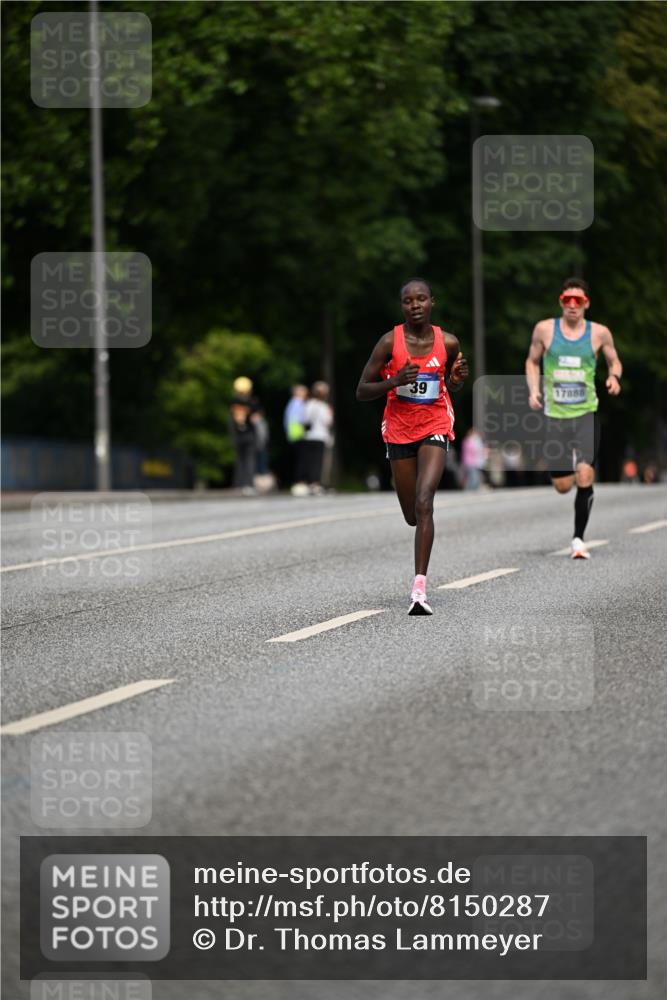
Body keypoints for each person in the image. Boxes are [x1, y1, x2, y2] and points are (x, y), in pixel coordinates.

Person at [356, 277, 468, 614]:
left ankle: (419, 587)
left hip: (434, 423)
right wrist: (393, 381)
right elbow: (362, 390)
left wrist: (456, 381)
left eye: (421, 299)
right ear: (402, 306)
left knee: (424, 502)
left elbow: (451, 383)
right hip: (399, 429)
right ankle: (418, 535)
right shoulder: (389, 342)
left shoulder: (447, 342)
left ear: (432, 302)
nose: (415, 305)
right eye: (408, 301)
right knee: (411, 515)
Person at [525, 277, 622, 558]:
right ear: (561, 301)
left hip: (585, 414)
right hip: (555, 415)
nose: (571, 305)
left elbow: (614, 360)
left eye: (577, 300)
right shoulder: (544, 330)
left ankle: (578, 539)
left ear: (586, 304)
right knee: (563, 485)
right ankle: (567, 468)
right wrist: (533, 390)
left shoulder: (599, 333)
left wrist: (614, 377)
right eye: (566, 299)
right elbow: (531, 361)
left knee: (584, 473)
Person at [302, 381, 333, 494]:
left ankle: (309, 482)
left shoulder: (308, 404)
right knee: (318, 461)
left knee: (310, 460)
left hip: (309, 436)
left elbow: (304, 420)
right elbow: (328, 422)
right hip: (320, 436)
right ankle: (316, 483)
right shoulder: (324, 407)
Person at [229, 375, 258, 494]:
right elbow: (256, 419)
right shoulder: (252, 403)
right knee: (249, 460)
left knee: (240, 460)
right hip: (249, 434)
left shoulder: (232, 402)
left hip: (238, 434)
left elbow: (231, 420)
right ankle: (248, 485)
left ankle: (239, 484)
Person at [283, 384, 308, 495]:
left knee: (299, 459)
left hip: (294, 435)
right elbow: (300, 419)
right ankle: (300, 483)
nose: (306, 394)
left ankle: (299, 482)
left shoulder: (292, 403)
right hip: (298, 434)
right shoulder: (297, 403)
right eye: (304, 391)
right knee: (301, 460)